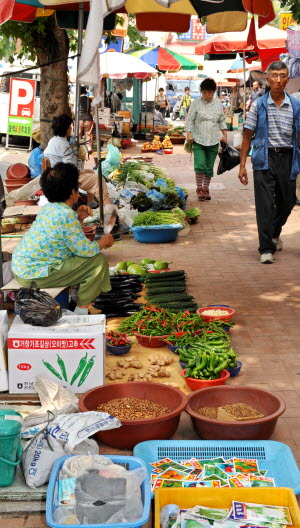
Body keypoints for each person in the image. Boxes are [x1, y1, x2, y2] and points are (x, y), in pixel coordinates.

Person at [12, 163, 113, 314]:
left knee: (86, 259)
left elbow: (70, 242)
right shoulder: (66, 215)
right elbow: (85, 251)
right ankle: (81, 309)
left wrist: (78, 219)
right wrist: (103, 242)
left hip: (22, 268)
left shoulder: (49, 209)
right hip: (36, 275)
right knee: (97, 261)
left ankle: (77, 301)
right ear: (73, 192)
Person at [238, 61, 300, 264]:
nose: (278, 80)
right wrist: (242, 165)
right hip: (264, 158)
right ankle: (265, 248)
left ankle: (274, 233)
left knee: (288, 201)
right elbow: (248, 134)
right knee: (264, 205)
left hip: (288, 158)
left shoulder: (296, 106)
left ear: (287, 79)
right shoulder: (258, 105)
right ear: (267, 78)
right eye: (274, 75)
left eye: (283, 76)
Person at [44, 114, 111, 208]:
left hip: (58, 172)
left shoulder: (53, 140)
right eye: (70, 127)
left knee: (91, 172)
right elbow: (69, 166)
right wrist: (79, 170)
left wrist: (81, 169)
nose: (71, 129)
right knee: (98, 179)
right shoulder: (63, 144)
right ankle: (108, 206)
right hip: (63, 177)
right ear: (67, 128)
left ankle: (91, 202)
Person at [186, 77, 228, 201]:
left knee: (209, 167)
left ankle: (206, 188)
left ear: (214, 92)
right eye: (204, 92)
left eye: (210, 92)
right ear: (201, 92)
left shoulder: (218, 103)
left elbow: (221, 120)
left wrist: (225, 135)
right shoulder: (196, 103)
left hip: (214, 140)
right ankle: (199, 188)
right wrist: (188, 134)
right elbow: (190, 120)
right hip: (198, 139)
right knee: (200, 165)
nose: (207, 95)